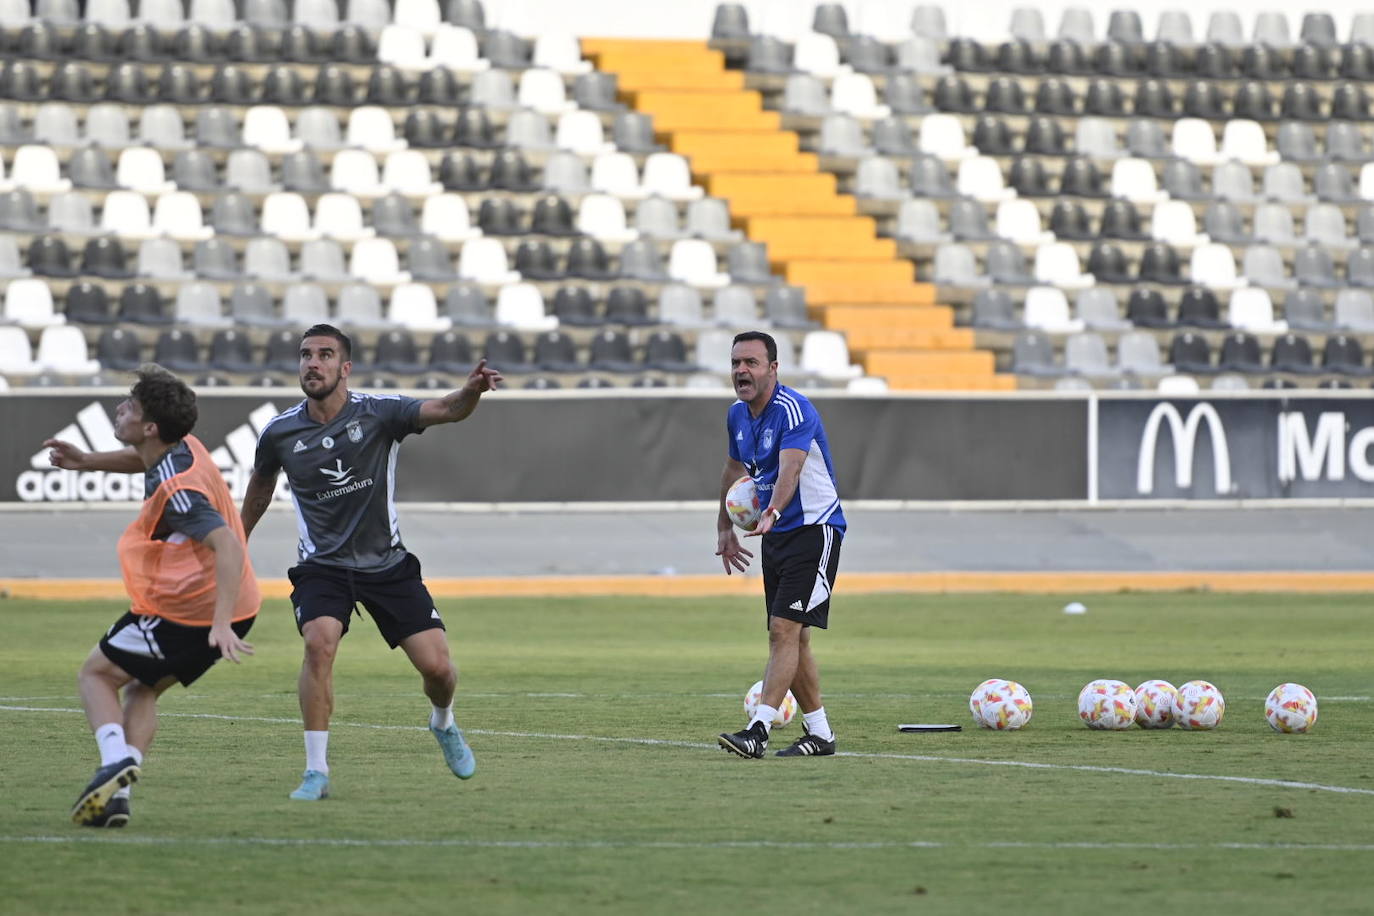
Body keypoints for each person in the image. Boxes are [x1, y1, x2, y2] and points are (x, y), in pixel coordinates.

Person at [241, 323, 501, 801]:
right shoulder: (280, 432)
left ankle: (442, 722)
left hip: (386, 565)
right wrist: (239, 542)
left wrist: (471, 392)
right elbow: (261, 484)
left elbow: (446, 409)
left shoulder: (379, 414)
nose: (312, 363)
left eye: (323, 355)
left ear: (345, 368)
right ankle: (316, 772)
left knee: (439, 671)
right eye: (304, 355)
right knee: (319, 644)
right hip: (322, 565)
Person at [45, 364, 258, 827]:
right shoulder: (182, 447)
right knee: (142, 688)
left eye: (130, 406)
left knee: (95, 675)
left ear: (149, 426)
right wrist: (86, 460)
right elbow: (142, 457)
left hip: (195, 611)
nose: (120, 409)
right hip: (239, 605)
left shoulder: (176, 488)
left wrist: (218, 622)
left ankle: (112, 762)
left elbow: (227, 543)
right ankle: (116, 796)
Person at [715, 331, 846, 759]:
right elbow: (734, 469)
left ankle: (759, 730)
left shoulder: (794, 410)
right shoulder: (737, 414)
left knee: (782, 630)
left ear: (773, 368)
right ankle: (820, 734)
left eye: (751, 362)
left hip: (814, 529)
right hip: (775, 535)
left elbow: (790, 469)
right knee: (796, 637)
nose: (741, 371)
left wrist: (772, 510)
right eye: (736, 362)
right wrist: (724, 527)